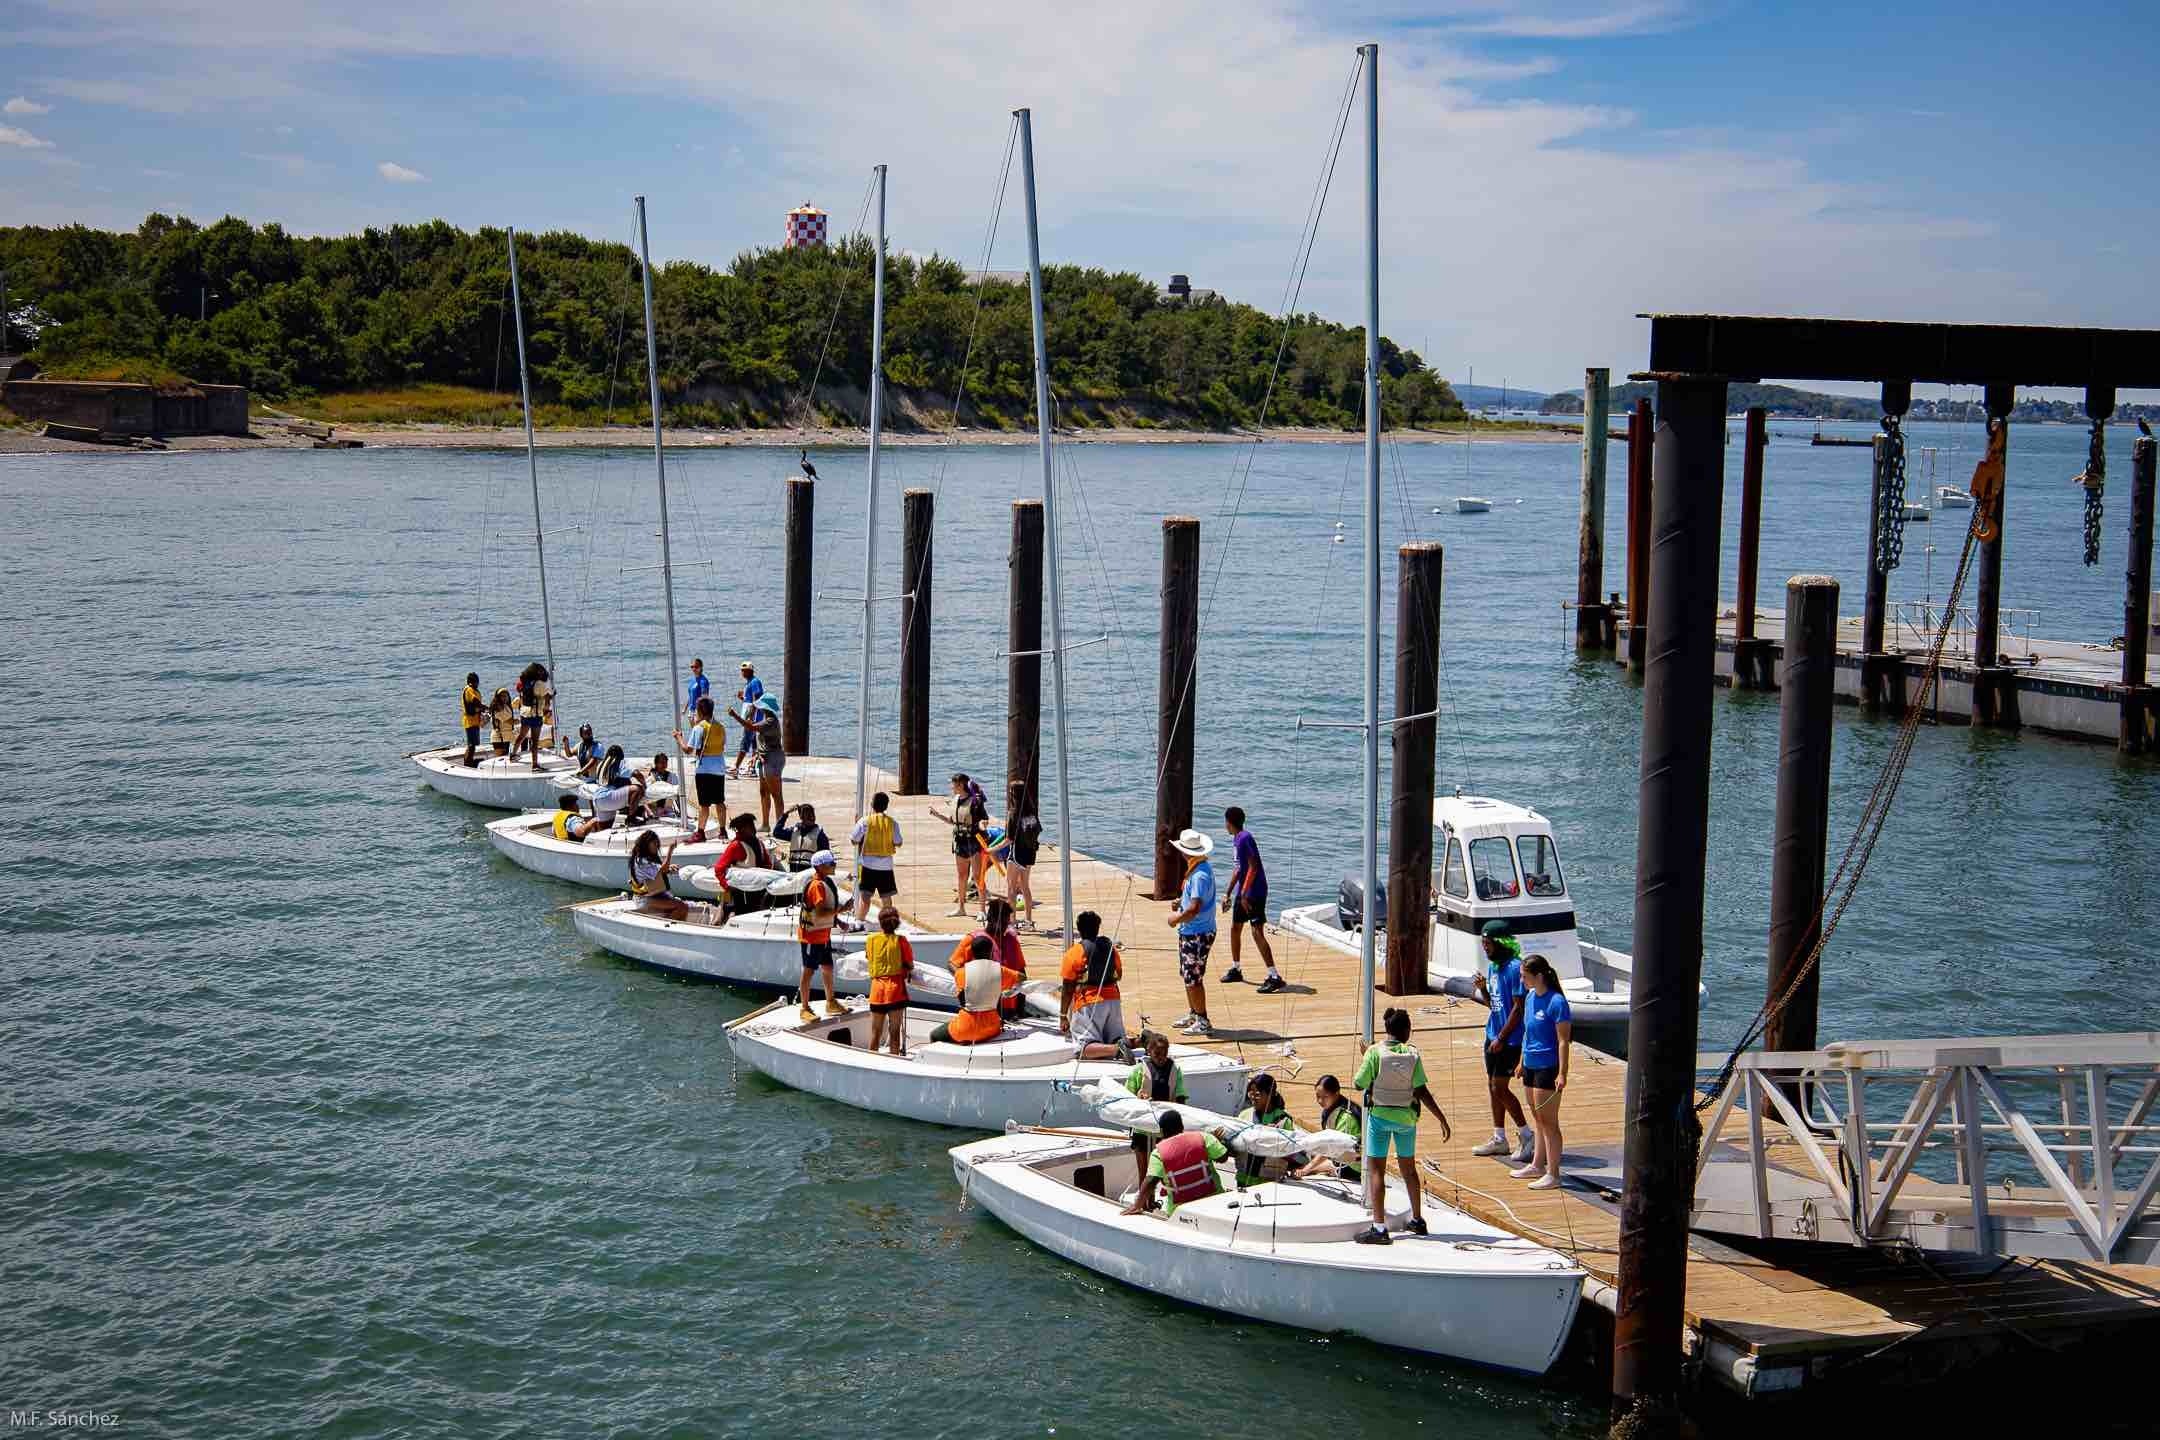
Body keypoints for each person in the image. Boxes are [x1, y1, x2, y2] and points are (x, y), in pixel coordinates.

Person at [1351, 1006, 1452, 1244]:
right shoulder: (1412, 1054)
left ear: (1387, 1029)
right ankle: (1417, 1219)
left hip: (1380, 1118)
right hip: (1407, 1119)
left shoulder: (1375, 1053)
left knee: (1377, 1170)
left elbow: (1359, 1083)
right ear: (1406, 1031)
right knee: (1409, 1170)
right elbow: (1422, 1090)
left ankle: (1379, 1227)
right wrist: (1441, 1118)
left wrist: (1366, 1056)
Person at [1469, 920, 1536, 1164]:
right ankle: (1499, 1138)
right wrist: (1483, 989)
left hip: (1509, 1039)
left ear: (1500, 943)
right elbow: (1495, 1005)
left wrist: (1502, 1038)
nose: (1485, 948)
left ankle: (1527, 1134)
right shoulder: (1493, 968)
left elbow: (1518, 1010)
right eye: (1483, 943)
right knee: (1492, 1085)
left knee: (1500, 1087)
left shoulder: (1514, 968)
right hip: (1492, 1035)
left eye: (1488, 944)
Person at [1513, 957, 1573, 1191]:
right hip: (1530, 1063)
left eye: (1524, 976)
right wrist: (1520, 1061)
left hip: (1548, 1066)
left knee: (1549, 1122)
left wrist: (1563, 1073)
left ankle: (1553, 1173)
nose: (1521, 980)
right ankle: (1537, 1164)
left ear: (1538, 976)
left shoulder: (1556, 1002)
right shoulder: (1529, 998)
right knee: (1537, 1119)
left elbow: (1564, 1041)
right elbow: (1527, 1032)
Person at [1220, 806, 1283, 992]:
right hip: (1243, 890)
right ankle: (1236, 968)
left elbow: (1253, 867)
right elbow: (1239, 868)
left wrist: (1246, 893)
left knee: (1256, 932)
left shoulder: (1245, 838)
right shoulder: (1236, 840)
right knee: (1235, 928)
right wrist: (1228, 893)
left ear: (1229, 822)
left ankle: (1274, 975)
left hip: (1255, 891)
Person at [1123, 1110, 1229, 1219]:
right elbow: (1223, 1158)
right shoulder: (1203, 1137)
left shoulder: (1158, 1153)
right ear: (1182, 1126)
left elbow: (1150, 1181)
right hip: (1213, 1202)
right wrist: (1216, 1141)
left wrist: (1137, 1205)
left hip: (1180, 1212)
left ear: (1162, 1131)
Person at [1165, 828, 1219, 1036]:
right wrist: (1181, 902)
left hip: (1197, 933)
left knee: (1194, 978)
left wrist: (1175, 918)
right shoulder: (1199, 868)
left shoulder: (1199, 876)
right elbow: (1195, 901)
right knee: (1188, 975)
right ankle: (1194, 1014)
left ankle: (1203, 1019)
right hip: (1193, 930)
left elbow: (1195, 908)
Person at [1059, 910, 1129, 1061]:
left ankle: (1117, 1049)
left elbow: (1067, 988)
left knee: (1083, 1049)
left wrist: (1063, 1016)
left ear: (1079, 930)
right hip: (1113, 1000)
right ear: (1098, 928)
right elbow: (1119, 974)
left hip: (1089, 1003)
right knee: (1114, 1038)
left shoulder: (1074, 953)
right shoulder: (1111, 949)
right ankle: (1140, 1041)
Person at [926, 934, 1019, 1046]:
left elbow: (962, 998)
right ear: (991, 952)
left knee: (934, 1035)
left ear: (972, 953)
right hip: (992, 1028)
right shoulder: (1001, 971)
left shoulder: (961, 973)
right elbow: (1022, 977)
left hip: (966, 1029)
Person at [795, 850, 845, 1022]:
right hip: (812, 937)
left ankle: (830, 1001)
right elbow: (821, 911)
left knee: (828, 967)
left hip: (824, 935)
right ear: (820, 867)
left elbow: (828, 910)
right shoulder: (817, 886)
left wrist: (837, 921)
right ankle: (804, 1007)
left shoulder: (827, 882)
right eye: (831, 863)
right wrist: (843, 910)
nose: (834, 865)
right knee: (808, 971)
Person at [929, 773, 989, 917]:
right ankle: (961, 908)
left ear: (961, 785)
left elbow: (984, 819)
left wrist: (982, 824)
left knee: (977, 876)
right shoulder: (955, 800)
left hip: (973, 841)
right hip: (960, 841)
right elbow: (952, 821)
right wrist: (937, 815)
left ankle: (982, 910)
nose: (951, 787)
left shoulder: (975, 802)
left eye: (953, 784)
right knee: (962, 876)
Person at [674, 698, 728, 840]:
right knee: (720, 802)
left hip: (704, 770)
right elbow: (722, 746)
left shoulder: (699, 728)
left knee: (704, 804)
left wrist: (679, 738)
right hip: (719, 768)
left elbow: (688, 750)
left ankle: (700, 832)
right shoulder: (720, 727)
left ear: (700, 711)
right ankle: (723, 831)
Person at [864, 906, 914, 1056]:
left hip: (877, 990)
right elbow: (910, 964)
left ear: (880, 923)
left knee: (875, 1032)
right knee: (894, 1032)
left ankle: (870, 1062)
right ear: (897, 923)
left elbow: (869, 957)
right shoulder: (901, 941)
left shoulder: (871, 940)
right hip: (896, 991)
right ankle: (894, 1059)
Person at [1294, 1075, 1362, 1184]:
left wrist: (1306, 1169)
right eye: (1317, 1096)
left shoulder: (1346, 1117)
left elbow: (1330, 1147)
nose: (1320, 1101)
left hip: (1353, 1167)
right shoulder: (1332, 1108)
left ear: (1336, 1093)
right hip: (1340, 1154)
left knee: (1307, 1166)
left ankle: (1316, 1169)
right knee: (1311, 1153)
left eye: (1325, 1097)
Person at [1233, 1073, 1297, 1189]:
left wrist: (1272, 1136)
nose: (1253, 1098)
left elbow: (1290, 1152)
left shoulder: (1283, 1121)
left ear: (1270, 1094)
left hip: (1268, 1181)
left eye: (1257, 1094)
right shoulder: (1244, 1115)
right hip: (1243, 1178)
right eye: (1250, 1094)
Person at [849, 791, 903, 920]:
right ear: (886, 806)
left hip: (868, 865)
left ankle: (860, 921)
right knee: (886, 898)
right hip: (886, 867)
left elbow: (853, 840)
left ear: (872, 805)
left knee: (865, 898)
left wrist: (857, 825)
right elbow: (898, 842)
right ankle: (890, 921)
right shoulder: (892, 823)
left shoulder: (865, 821)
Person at [712, 813, 774, 922]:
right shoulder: (736, 846)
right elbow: (719, 868)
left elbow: (768, 864)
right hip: (741, 893)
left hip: (758, 889)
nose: (754, 829)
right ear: (742, 829)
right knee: (739, 916)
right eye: (750, 826)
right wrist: (727, 887)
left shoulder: (759, 843)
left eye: (753, 825)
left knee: (756, 915)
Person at [734, 695, 783, 830]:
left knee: (776, 794)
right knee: (764, 792)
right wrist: (757, 755)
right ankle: (766, 824)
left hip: (772, 759)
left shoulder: (770, 721)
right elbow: (762, 740)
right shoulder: (765, 719)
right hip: (763, 758)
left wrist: (735, 716)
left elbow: (751, 727)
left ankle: (779, 826)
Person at [1002, 782, 1042, 927]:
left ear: (1012, 794)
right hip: (1029, 853)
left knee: (1011, 889)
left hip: (1016, 854)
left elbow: (1009, 839)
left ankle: (1012, 922)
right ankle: (1028, 920)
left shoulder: (1013, 813)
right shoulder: (1031, 811)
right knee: (1025, 886)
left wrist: (992, 849)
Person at [627, 831, 688, 920]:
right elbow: (662, 870)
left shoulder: (646, 858)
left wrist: (670, 868)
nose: (657, 846)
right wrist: (670, 851)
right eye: (654, 843)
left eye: (657, 843)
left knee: (681, 906)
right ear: (646, 844)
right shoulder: (641, 861)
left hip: (654, 896)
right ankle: (667, 929)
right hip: (645, 899)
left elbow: (660, 870)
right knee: (682, 907)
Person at [971, 897, 1027, 994]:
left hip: (1010, 1003)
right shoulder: (974, 939)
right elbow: (953, 965)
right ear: (990, 919)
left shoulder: (1012, 940)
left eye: (1008, 923)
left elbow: (1021, 972)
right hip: (985, 1002)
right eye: (1003, 923)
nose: (1006, 927)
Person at [728, 661, 766, 778]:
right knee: (754, 744)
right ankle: (752, 768)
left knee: (745, 743)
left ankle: (736, 768)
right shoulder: (749, 682)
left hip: (752, 720)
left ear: (750, 671)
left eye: (744, 670)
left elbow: (756, 700)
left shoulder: (755, 682)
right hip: (751, 718)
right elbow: (749, 700)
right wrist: (742, 698)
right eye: (741, 670)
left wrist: (750, 718)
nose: (742, 672)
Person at [774, 803, 830, 873]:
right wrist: (786, 814)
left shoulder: (820, 835)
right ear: (801, 817)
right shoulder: (794, 832)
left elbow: (826, 857)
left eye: (812, 815)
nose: (811, 817)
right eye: (807, 815)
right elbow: (777, 833)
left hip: (809, 874)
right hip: (793, 873)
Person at [460, 672, 484, 767]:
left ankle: (469, 761)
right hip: (470, 721)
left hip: (474, 720)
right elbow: (475, 701)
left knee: (473, 744)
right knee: (471, 745)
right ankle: (468, 763)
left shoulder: (473, 690)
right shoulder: (469, 690)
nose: (476, 684)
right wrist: (484, 707)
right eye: (475, 682)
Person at [487, 688, 516, 757]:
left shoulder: (507, 706)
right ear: (498, 697)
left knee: (504, 757)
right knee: (500, 759)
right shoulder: (497, 708)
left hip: (506, 736)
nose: (505, 698)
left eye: (506, 696)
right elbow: (509, 721)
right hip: (499, 737)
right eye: (502, 696)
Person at [684, 657, 710, 730]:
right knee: (694, 732)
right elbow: (690, 695)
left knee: (699, 732)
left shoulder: (703, 681)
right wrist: (685, 708)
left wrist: (701, 712)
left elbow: (705, 697)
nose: (694, 669)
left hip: (698, 711)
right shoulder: (693, 680)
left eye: (696, 667)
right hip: (691, 710)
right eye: (692, 667)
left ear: (701, 667)